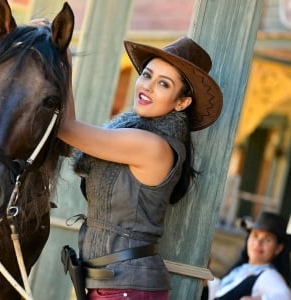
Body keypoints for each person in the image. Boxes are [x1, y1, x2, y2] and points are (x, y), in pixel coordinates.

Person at [58, 36, 223, 299]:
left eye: (163, 84)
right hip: (108, 284)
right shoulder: (129, 135)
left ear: (181, 103)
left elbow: (66, 128)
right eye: (146, 75)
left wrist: (61, 55)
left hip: (127, 288)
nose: (147, 87)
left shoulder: (152, 145)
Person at [208, 211, 291, 300]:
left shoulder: (268, 275)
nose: (258, 243)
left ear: (278, 248)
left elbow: (285, 296)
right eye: (255, 235)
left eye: (267, 239)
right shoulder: (240, 269)